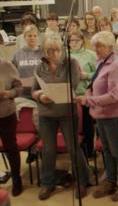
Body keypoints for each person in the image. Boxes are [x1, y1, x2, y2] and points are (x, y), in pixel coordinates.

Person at [32, 34, 90, 200]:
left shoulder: (71, 63)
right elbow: (33, 90)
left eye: (57, 50)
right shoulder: (39, 67)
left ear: (62, 50)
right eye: (50, 50)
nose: (54, 54)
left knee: (73, 148)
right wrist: (41, 95)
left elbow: (73, 85)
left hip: (67, 113)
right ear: (45, 51)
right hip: (46, 114)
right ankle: (47, 183)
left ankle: (82, 181)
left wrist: (51, 90)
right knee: (49, 150)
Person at [76, 31, 118, 202]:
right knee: (106, 150)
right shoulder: (101, 62)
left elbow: (115, 95)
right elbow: (94, 84)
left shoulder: (116, 66)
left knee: (117, 151)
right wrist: (88, 92)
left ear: (109, 47)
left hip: (113, 116)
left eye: (99, 46)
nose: (95, 49)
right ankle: (110, 181)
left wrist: (89, 100)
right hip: (100, 115)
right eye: (95, 46)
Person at [69, 31, 97, 159]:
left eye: (77, 40)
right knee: (72, 126)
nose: (74, 43)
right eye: (71, 40)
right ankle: (76, 152)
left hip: (85, 94)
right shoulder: (65, 55)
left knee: (87, 125)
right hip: (70, 95)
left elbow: (99, 74)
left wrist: (86, 75)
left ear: (82, 41)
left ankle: (89, 151)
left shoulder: (90, 55)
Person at [0, 60, 23, 196]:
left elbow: (19, 88)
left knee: (11, 148)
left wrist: (8, 94)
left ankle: (16, 180)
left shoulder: (6, 65)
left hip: (6, 114)